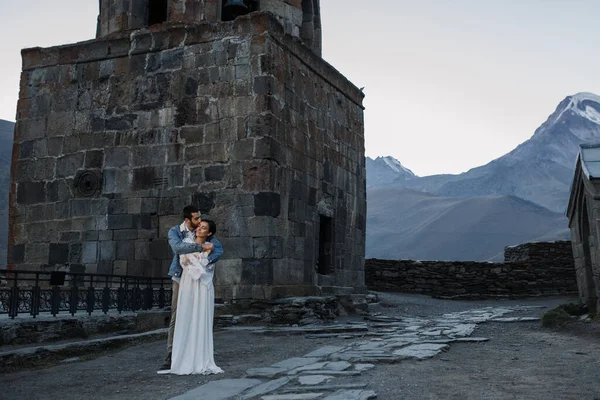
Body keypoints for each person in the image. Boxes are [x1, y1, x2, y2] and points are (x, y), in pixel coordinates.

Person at [160, 205, 223, 370]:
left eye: (200, 218)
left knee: (198, 312)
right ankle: (172, 352)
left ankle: (196, 350)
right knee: (177, 314)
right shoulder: (175, 231)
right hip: (181, 277)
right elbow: (178, 248)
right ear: (187, 220)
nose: (199, 221)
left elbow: (218, 249)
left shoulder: (203, 229)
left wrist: (205, 262)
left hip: (199, 277)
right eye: (196, 219)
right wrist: (201, 248)